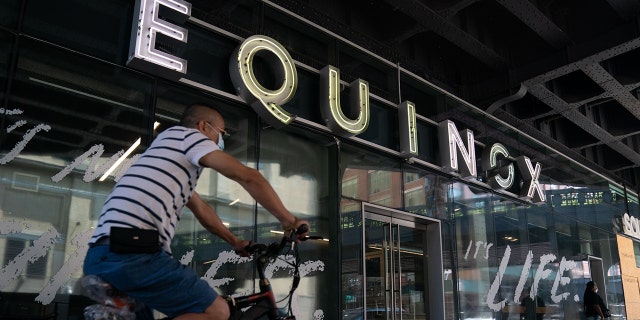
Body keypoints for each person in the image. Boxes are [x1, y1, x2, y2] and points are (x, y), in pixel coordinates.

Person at [83, 103, 310, 320]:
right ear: (203, 127)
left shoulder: (165, 154)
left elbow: (202, 209)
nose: (220, 141)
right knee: (217, 312)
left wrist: (234, 241)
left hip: (101, 254)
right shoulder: (187, 136)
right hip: (136, 251)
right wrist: (288, 220)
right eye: (221, 133)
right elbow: (247, 176)